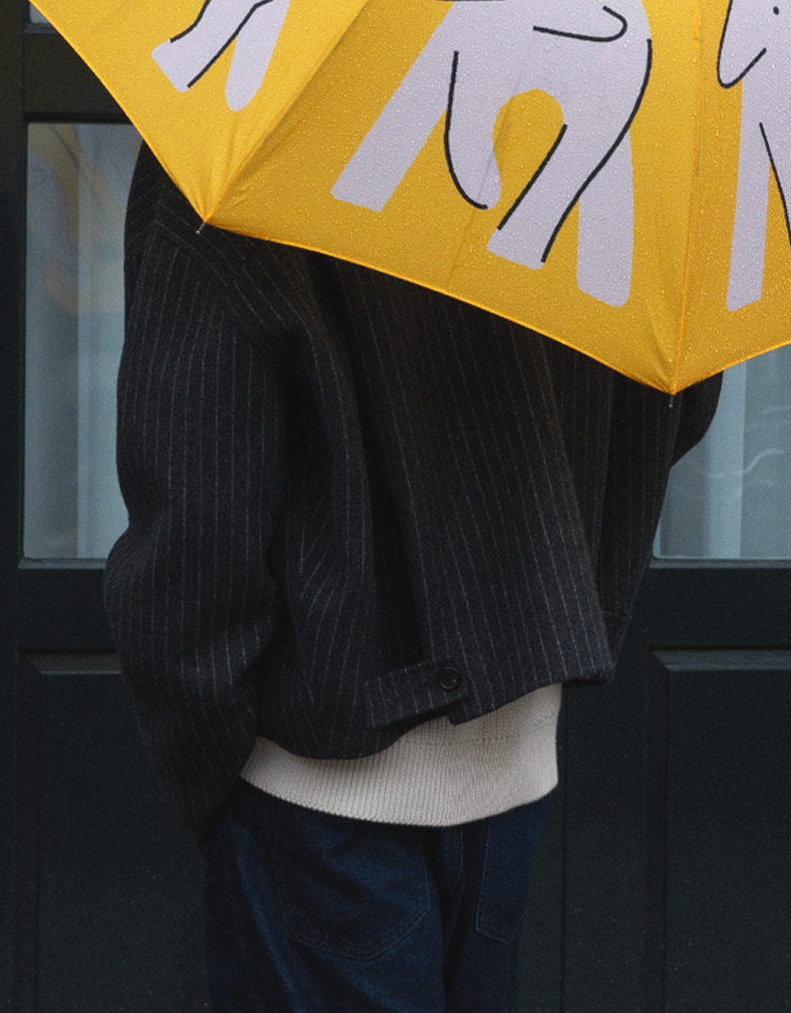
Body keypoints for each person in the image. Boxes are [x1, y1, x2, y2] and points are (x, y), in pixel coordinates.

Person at [105, 148, 720, 1012]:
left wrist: (216, 764)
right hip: (512, 750)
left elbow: (194, 497)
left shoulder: (243, 125)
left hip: (318, 776)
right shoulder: (631, 121)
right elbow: (678, 392)